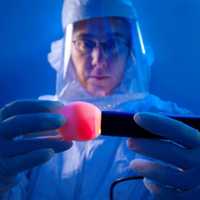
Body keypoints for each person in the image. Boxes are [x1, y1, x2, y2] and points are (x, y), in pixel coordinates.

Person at [0, 0, 200, 199]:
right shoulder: (37, 121)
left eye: (112, 43)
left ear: (131, 50)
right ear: (67, 49)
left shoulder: (169, 122)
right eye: (86, 43)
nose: (98, 59)